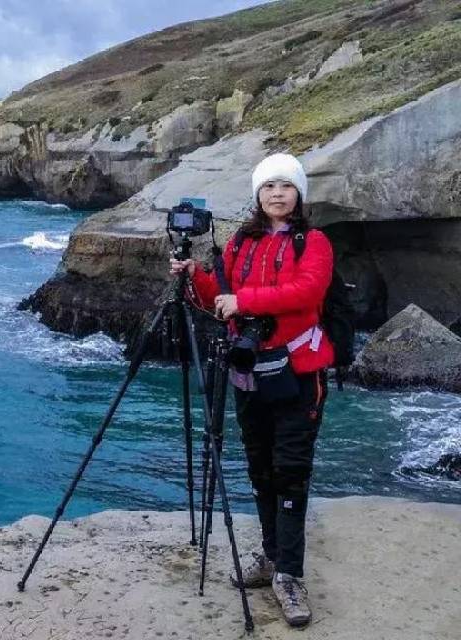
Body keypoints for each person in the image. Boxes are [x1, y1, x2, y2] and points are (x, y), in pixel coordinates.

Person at [169, 153, 334, 628]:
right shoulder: (241, 242)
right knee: (260, 469)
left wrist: (243, 300)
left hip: (299, 375)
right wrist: (194, 278)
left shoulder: (314, 242)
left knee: (291, 473)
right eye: (268, 187)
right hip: (249, 371)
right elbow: (220, 300)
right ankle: (269, 556)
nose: (277, 194)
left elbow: (306, 292)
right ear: (258, 195)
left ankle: (290, 575)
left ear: (299, 194)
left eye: (286, 186)